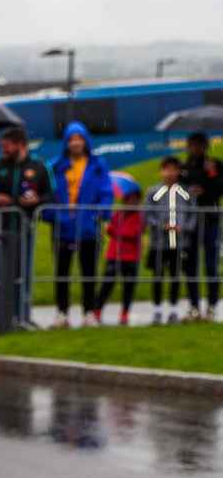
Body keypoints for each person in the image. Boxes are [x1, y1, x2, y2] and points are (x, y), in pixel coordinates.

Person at [44, 121, 115, 327]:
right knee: (62, 272)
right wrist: (53, 215)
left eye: (79, 139)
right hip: (63, 227)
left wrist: (101, 212)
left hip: (88, 227)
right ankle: (62, 313)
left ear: (86, 142)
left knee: (89, 271)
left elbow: (106, 192)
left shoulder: (97, 165)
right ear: (66, 143)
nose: (76, 143)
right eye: (72, 139)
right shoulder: (56, 166)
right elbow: (48, 194)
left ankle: (88, 313)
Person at [0, 127, 52, 329]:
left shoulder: (39, 166)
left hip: (24, 229)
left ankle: (22, 316)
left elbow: (51, 195)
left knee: (23, 273)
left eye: (6, 146)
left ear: (20, 144)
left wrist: (37, 200)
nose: (2, 150)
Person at [147, 155, 200, 323]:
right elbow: (148, 213)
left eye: (173, 169)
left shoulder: (185, 192)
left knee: (176, 275)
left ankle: (173, 309)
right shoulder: (153, 192)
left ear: (179, 171)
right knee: (158, 275)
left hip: (179, 242)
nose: (170, 173)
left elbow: (193, 214)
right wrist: (160, 226)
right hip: (158, 242)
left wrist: (183, 228)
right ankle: (156, 309)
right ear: (161, 171)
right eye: (166, 169)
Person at [181, 131, 222, 319]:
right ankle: (194, 305)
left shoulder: (215, 165)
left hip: (211, 221)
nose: (197, 148)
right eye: (193, 144)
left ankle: (212, 305)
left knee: (211, 264)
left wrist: (211, 176)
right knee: (190, 264)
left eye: (201, 144)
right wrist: (190, 192)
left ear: (206, 146)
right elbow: (179, 191)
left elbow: (218, 190)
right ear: (189, 146)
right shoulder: (184, 168)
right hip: (190, 223)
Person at [98, 180, 143, 326]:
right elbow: (110, 229)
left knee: (128, 287)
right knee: (107, 284)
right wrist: (113, 230)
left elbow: (133, 233)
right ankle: (97, 310)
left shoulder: (140, 216)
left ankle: (125, 313)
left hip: (131, 256)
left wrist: (115, 231)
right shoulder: (118, 214)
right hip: (114, 255)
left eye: (134, 199)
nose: (131, 202)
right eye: (129, 199)